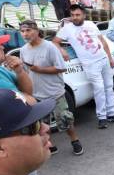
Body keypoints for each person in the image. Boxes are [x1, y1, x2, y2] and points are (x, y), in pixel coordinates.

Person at [19, 20, 84, 156]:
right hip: (37, 95)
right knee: (43, 124)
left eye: (28, 30)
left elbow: (61, 68)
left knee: (65, 119)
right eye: (22, 31)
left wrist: (39, 69)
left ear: (36, 31)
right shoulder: (23, 50)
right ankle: (51, 145)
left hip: (55, 93)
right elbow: (25, 71)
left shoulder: (49, 47)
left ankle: (75, 141)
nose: (25, 34)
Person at [54, 5, 114, 129]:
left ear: (83, 15)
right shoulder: (67, 29)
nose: (75, 17)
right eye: (73, 15)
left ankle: (112, 113)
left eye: (78, 15)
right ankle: (102, 117)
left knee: (108, 86)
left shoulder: (91, 24)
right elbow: (54, 42)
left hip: (103, 59)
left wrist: (109, 57)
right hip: (90, 64)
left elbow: (102, 40)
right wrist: (62, 51)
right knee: (99, 89)